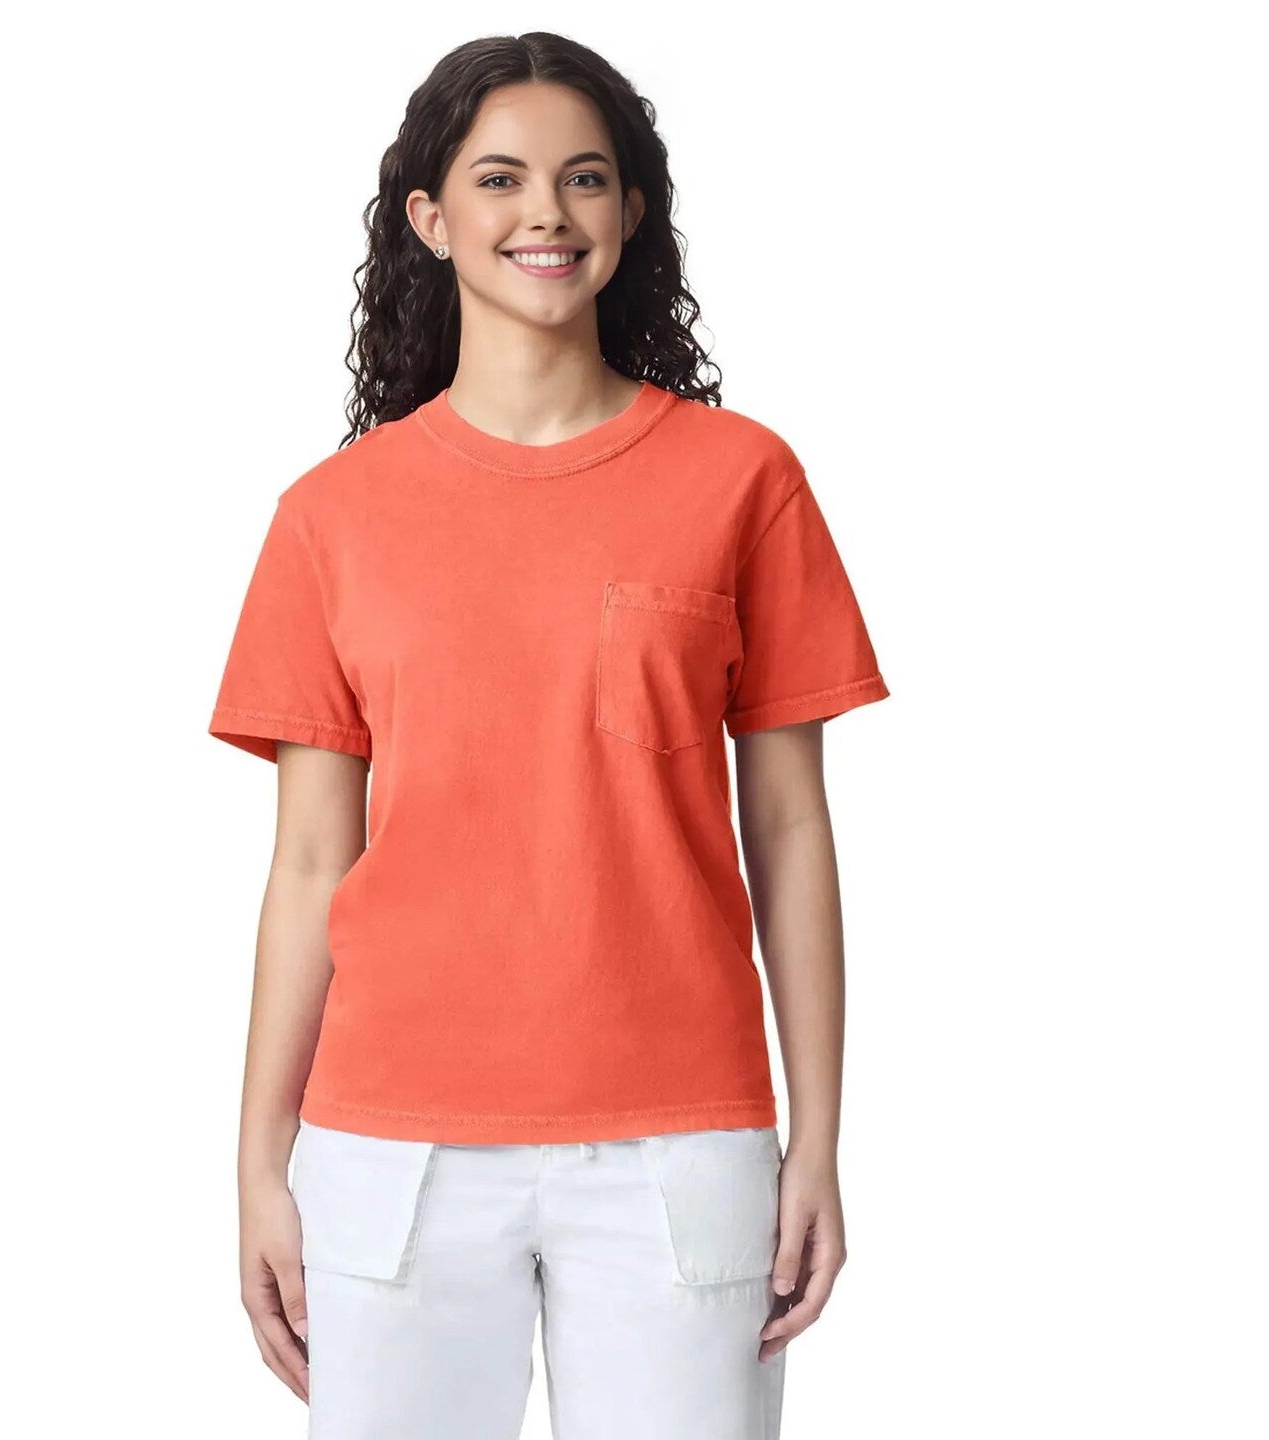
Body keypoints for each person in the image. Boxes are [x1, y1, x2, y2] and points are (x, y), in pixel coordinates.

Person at [207, 30, 890, 1440]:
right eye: (500, 178)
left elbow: (790, 827)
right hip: (388, 1148)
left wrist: (817, 1138)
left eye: (585, 178)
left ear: (631, 211)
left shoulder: (742, 480)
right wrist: (259, 1163)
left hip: (679, 1145)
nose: (547, 213)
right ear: (429, 218)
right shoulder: (333, 518)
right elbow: (310, 862)